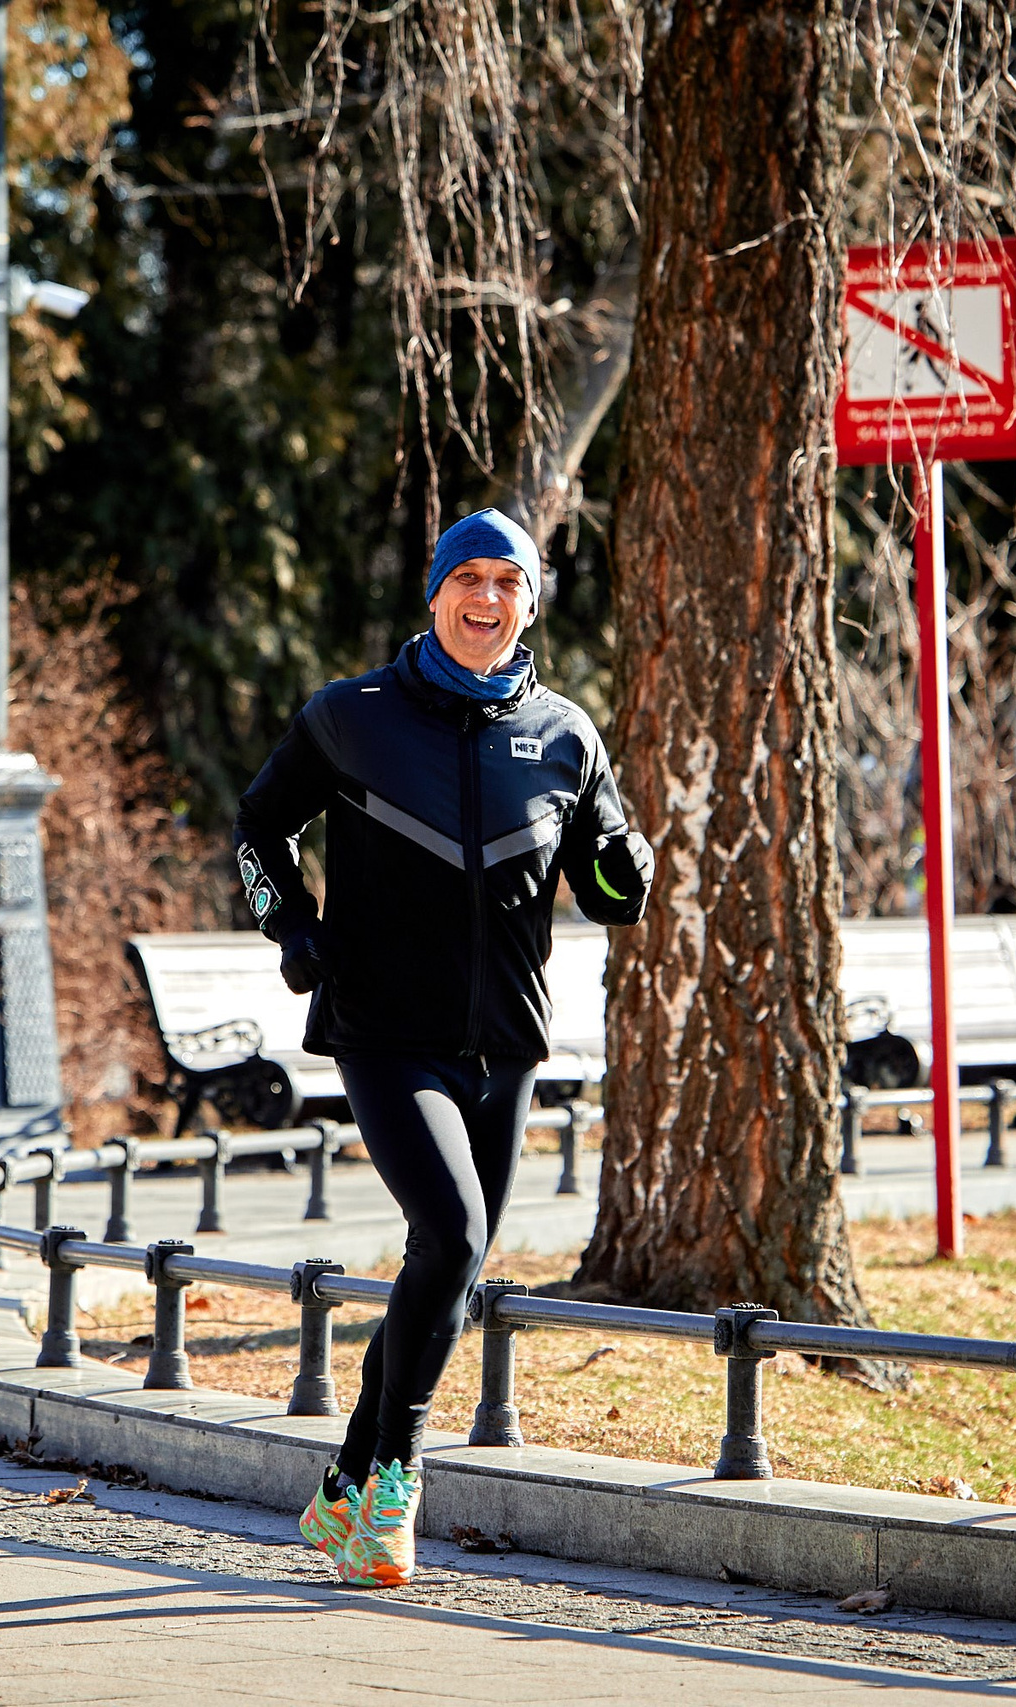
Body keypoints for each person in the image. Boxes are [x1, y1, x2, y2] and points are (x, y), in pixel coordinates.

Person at [233, 508, 651, 1589]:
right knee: (457, 1231)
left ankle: (340, 1487)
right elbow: (259, 825)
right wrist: (294, 928)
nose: (486, 599)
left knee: (448, 1261)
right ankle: (396, 1480)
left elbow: (608, 889)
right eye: (468, 578)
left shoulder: (566, 734)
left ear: (529, 605)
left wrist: (629, 866)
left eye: (508, 582)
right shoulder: (354, 715)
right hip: (382, 1030)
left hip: (505, 1042)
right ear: (434, 594)